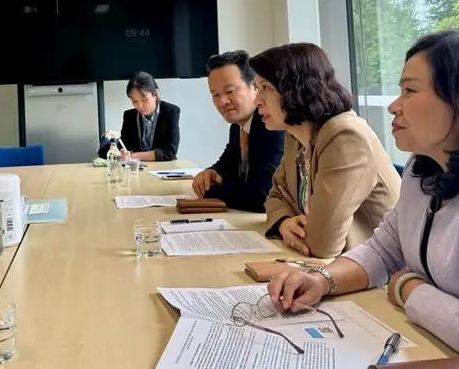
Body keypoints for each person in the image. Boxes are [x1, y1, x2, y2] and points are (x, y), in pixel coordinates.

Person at [267, 31, 459, 356]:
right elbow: (385, 249)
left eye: (409, 91)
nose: (393, 106)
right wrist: (322, 279)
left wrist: (405, 286)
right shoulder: (422, 168)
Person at [252, 43, 400, 258]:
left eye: (265, 87)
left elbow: (322, 244)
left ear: (295, 88)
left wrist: (300, 227)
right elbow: (275, 195)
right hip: (333, 267)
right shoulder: (296, 133)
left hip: (378, 276)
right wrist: (284, 223)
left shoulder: (344, 136)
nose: (257, 100)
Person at [191, 51, 285, 212]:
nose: (222, 101)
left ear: (255, 87)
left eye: (230, 91)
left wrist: (210, 190)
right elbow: (227, 163)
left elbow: (261, 195)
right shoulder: (239, 126)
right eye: (215, 95)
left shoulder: (272, 127)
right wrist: (211, 173)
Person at [99, 71, 180, 161]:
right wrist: (115, 147)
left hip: (164, 168)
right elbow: (124, 146)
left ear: (156, 94)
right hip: (137, 169)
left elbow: (170, 152)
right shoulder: (129, 116)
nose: (139, 106)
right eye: (135, 101)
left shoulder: (171, 112)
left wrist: (132, 156)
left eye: (144, 100)